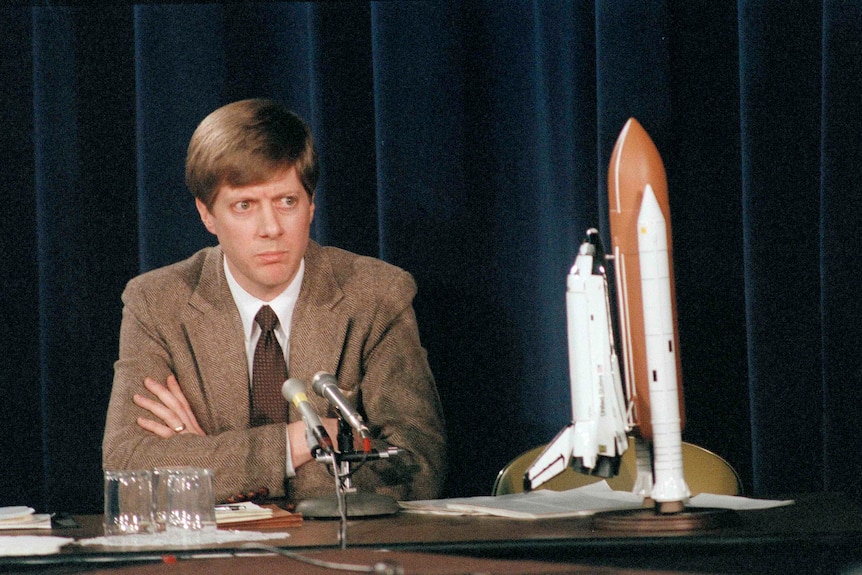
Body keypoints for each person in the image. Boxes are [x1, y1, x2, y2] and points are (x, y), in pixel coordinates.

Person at [102, 99, 446, 503]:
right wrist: (296, 443)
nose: (271, 229)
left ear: (311, 204)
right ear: (207, 215)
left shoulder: (376, 295)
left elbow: (416, 468)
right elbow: (128, 472)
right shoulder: (157, 303)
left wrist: (205, 466)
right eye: (244, 206)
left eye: (287, 202)